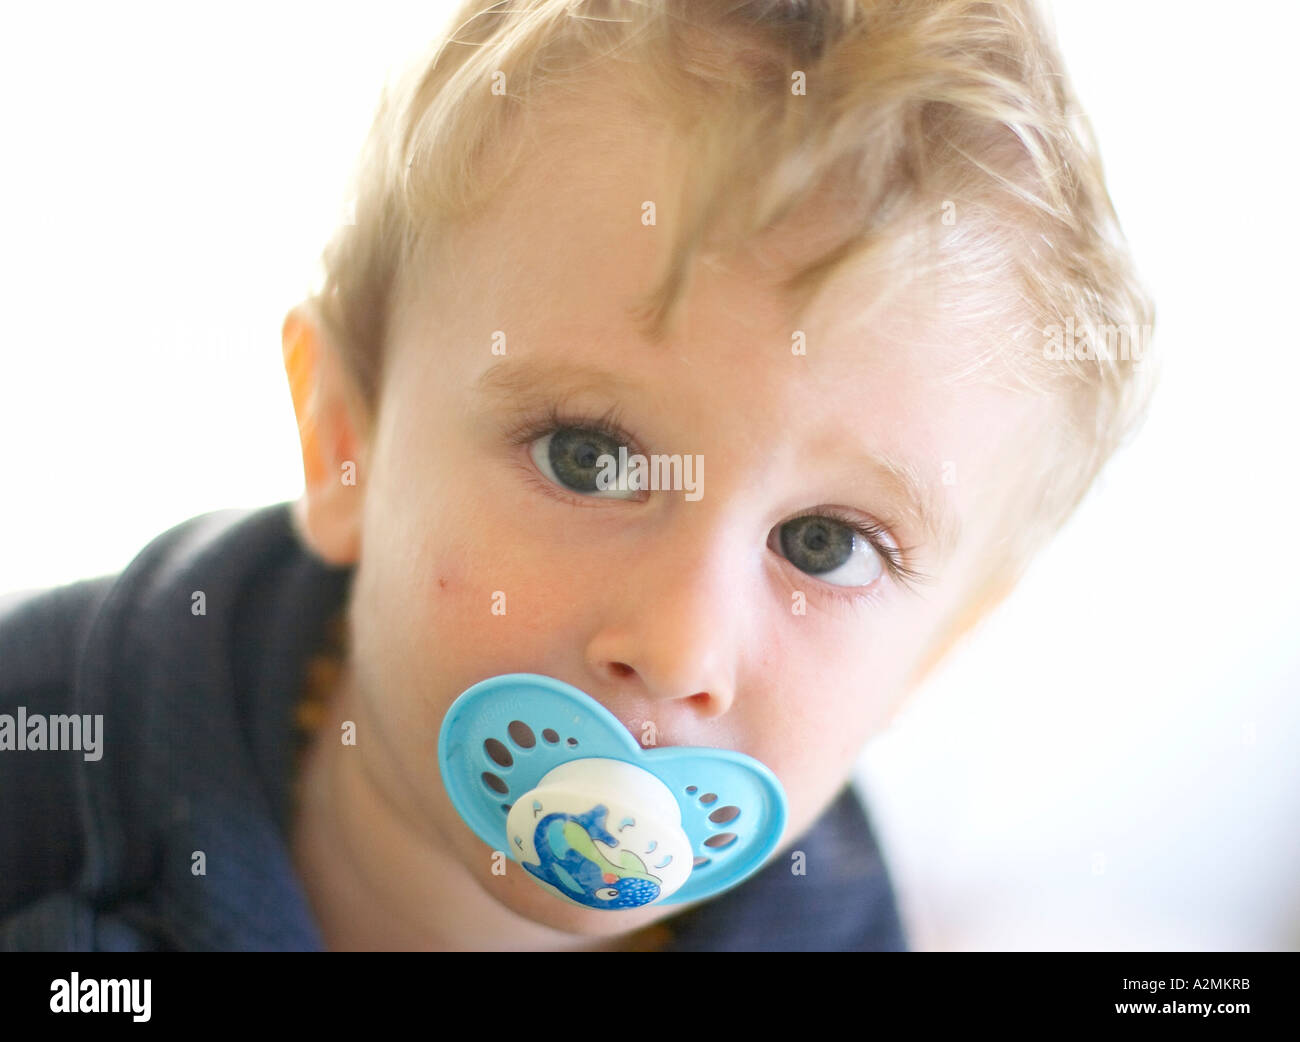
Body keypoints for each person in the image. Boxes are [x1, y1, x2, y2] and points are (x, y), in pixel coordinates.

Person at [0, 0, 1153, 951]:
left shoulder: (843, 929)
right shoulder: (46, 735)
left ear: (933, 651)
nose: (677, 647)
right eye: (588, 457)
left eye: (824, 544)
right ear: (345, 438)